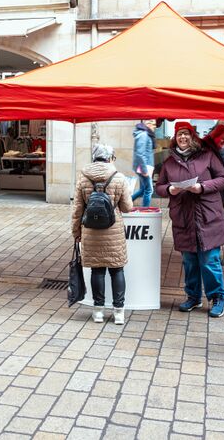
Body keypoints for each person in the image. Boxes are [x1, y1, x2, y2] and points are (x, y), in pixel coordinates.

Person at [155, 122, 224, 318]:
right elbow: (159, 187)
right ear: (175, 138)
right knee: (189, 261)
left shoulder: (207, 155)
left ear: (193, 137)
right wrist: (169, 190)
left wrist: (202, 187)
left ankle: (218, 298)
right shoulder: (169, 162)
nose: (183, 138)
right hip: (184, 217)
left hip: (208, 215)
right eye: (180, 134)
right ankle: (193, 297)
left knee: (209, 260)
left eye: (187, 134)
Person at [71, 144, 133, 325]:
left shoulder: (83, 178)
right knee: (117, 269)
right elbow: (127, 208)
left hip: (90, 230)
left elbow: (77, 209)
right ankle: (119, 312)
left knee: (97, 270)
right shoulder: (119, 178)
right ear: (111, 158)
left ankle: (98, 311)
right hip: (113, 230)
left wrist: (76, 232)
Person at [202, 123, 224, 205]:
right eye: (223, 139)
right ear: (215, 136)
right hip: (211, 189)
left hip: (214, 187)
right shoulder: (208, 149)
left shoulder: (214, 147)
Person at [132, 119, 157, 207]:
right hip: (144, 167)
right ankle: (145, 210)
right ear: (147, 124)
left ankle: (126, 202)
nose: (154, 126)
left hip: (145, 167)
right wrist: (145, 170)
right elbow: (140, 154)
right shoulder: (144, 135)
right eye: (152, 124)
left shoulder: (146, 134)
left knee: (143, 189)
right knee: (149, 190)